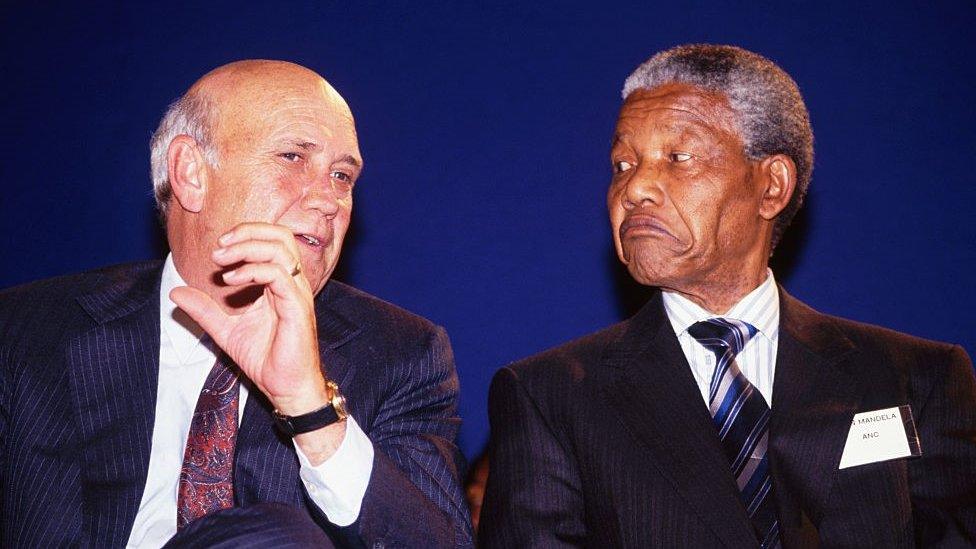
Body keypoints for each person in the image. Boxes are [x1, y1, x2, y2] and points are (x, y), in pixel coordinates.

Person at [479, 44, 976, 547]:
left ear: (772, 187)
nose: (635, 189)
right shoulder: (549, 397)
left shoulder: (919, 380)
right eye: (622, 164)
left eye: (678, 157)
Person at [0, 60, 473, 548]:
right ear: (190, 174)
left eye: (341, 175)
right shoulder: (26, 331)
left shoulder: (402, 353)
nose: (329, 199)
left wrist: (309, 407)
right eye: (292, 157)